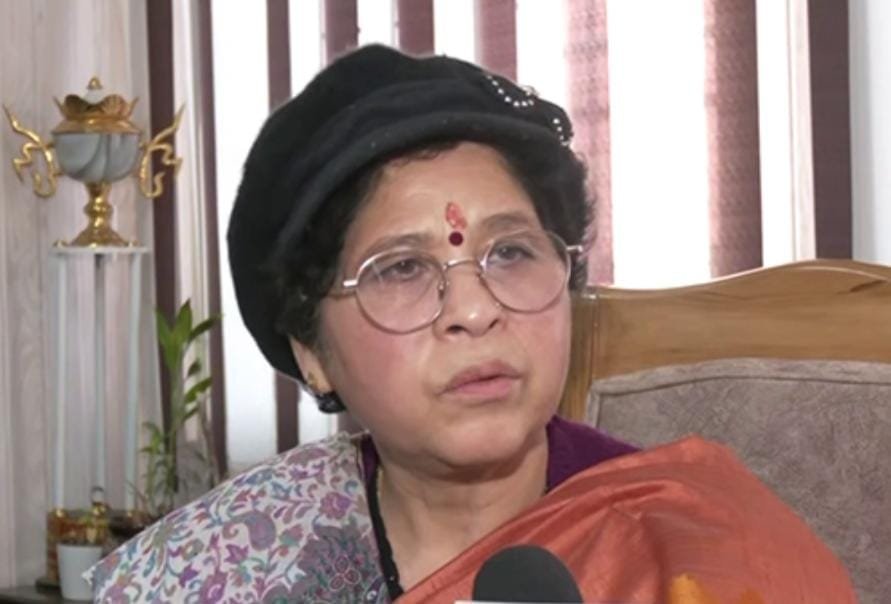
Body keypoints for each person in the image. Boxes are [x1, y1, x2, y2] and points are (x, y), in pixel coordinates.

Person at [88, 45, 855, 603]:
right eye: (401, 268)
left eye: (511, 252)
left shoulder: (691, 544)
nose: (475, 309)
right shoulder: (228, 568)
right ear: (311, 352)